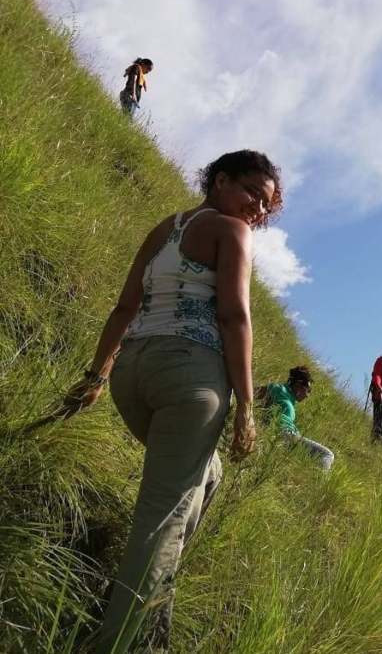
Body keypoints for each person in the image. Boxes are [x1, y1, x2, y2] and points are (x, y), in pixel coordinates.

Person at [61, 149, 283, 651]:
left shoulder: (166, 228)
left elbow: (125, 306)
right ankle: (117, 641)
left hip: (134, 375)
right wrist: (246, 408)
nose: (258, 210)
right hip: (190, 379)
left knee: (208, 477)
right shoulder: (232, 232)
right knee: (162, 514)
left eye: (267, 205)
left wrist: (98, 374)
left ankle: (149, 597)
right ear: (220, 180)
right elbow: (234, 318)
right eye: (252, 192)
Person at [258, 366, 334, 471]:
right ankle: (319, 483)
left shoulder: (290, 399)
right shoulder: (279, 389)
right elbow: (253, 392)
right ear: (298, 385)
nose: (307, 395)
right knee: (327, 454)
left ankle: (313, 476)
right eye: (308, 390)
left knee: (312, 459)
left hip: (288, 435)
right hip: (284, 433)